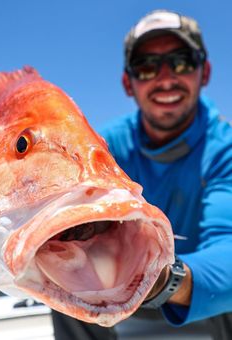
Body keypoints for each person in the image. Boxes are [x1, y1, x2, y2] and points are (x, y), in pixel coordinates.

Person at [51, 9, 232, 340]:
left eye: (181, 62)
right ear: (128, 83)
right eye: (146, 66)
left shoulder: (225, 150)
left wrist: (161, 279)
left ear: (204, 72)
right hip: (116, 288)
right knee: (64, 280)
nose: (164, 79)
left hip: (200, 295)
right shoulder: (101, 147)